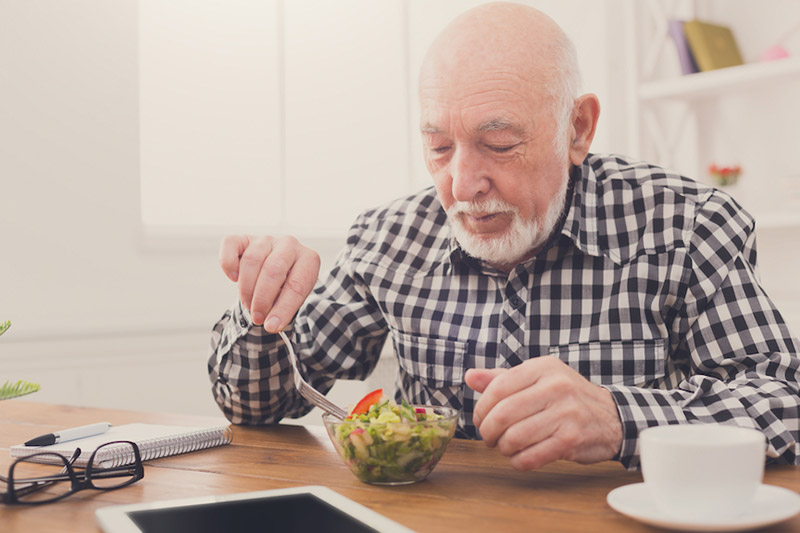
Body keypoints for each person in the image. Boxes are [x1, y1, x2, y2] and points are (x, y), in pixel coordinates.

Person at [208, 2, 800, 470]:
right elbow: (258, 406)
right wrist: (263, 313)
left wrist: (619, 418)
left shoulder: (685, 224)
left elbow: (784, 405)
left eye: (500, 144)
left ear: (578, 127)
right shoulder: (388, 237)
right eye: (438, 146)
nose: (462, 184)